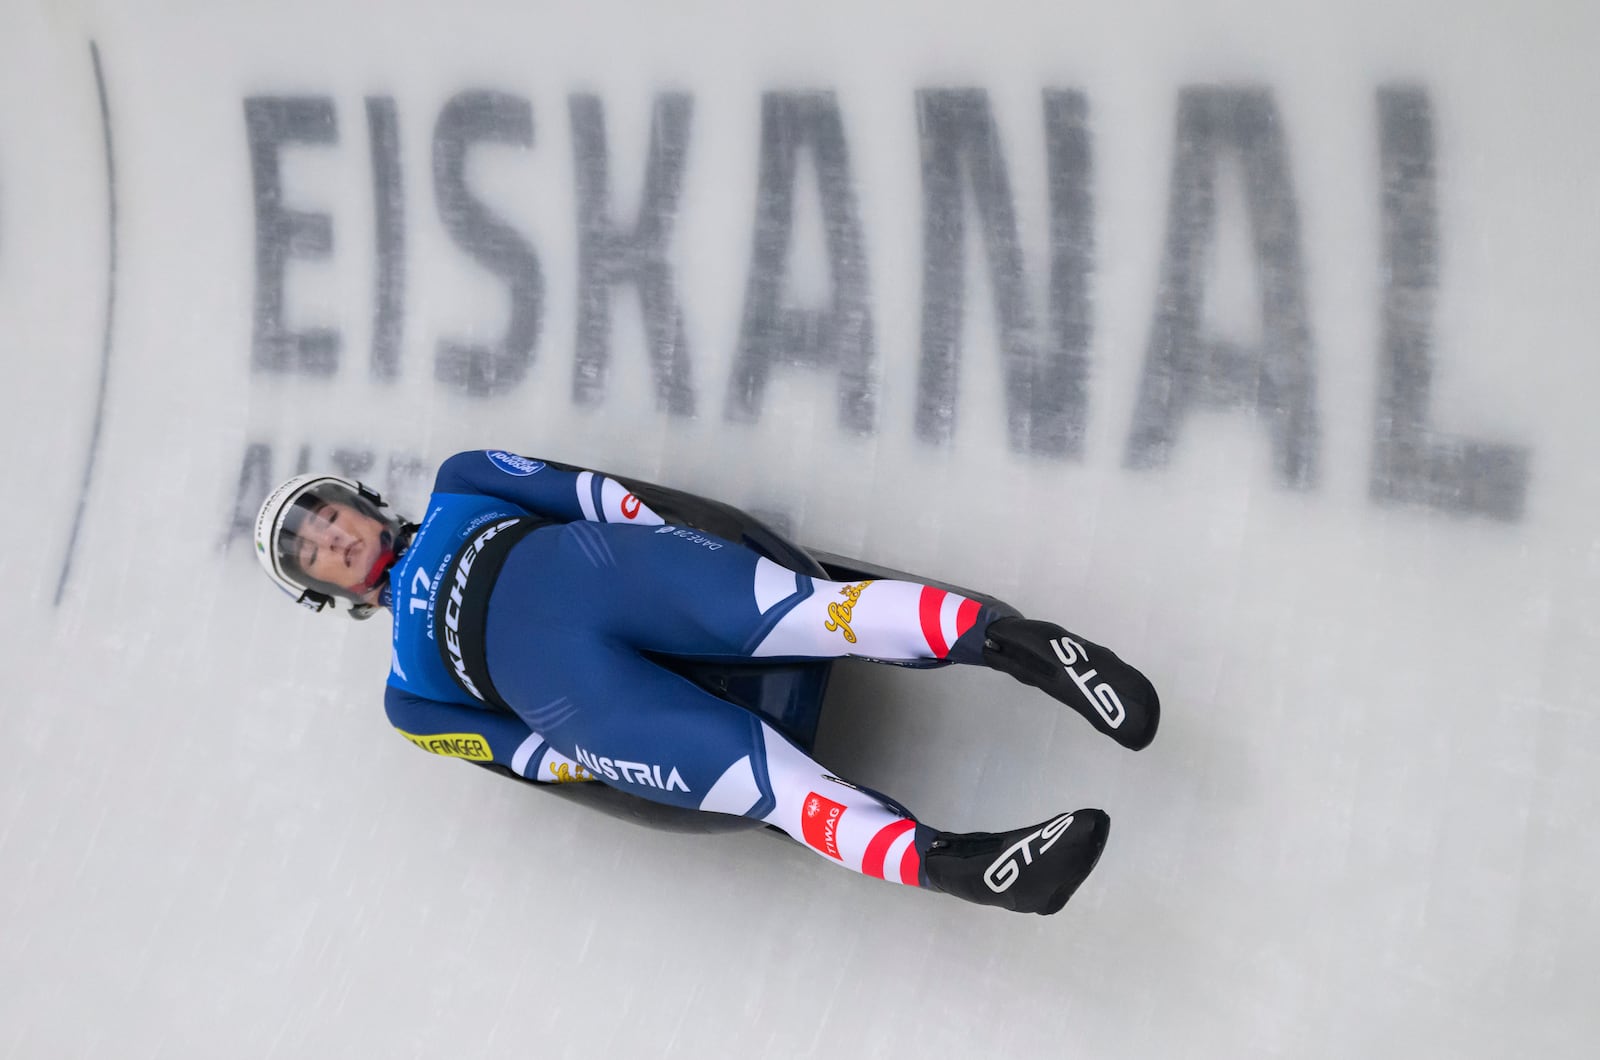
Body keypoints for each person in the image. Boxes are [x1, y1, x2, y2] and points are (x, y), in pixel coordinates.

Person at [254, 450, 1159, 915]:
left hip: (623, 574)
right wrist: (614, 756)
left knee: (809, 611)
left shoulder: (463, 482)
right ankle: (970, 870)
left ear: (359, 499)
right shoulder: (409, 701)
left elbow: (594, 494)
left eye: (327, 515)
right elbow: (525, 758)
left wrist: (682, 547)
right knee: (771, 786)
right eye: (313, 551)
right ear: (325, 591)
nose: (331, 538)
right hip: (596, 705)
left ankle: (1034, 650)